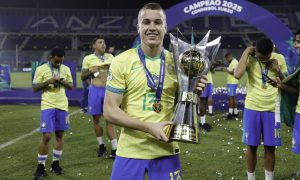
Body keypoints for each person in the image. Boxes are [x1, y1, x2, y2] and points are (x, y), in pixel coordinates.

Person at [103, 3, 207, 180]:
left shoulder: (179, 63)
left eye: (158, 22)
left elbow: (188, 111)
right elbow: (110, 111)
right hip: (130, 152)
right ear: (139, 27)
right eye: (146, 22)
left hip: (166, 151)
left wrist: (195, 94)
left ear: (165, 27)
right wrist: (149, 127)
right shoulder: (122, 61)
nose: (152, 27)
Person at [234, 37, 287, 180]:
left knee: (270, 148)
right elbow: (237, 74)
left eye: (267, 57)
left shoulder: (279, 58)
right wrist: (246, 52)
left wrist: (279, 70)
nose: (264, 60)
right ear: (255, 51)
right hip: (252, 107)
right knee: (251, 146)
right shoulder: (250, 58)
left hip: (272, 109)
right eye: (261, 58)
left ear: (272, 51)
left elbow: (287, 84)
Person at [32, 47, 73, 180]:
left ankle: (55, 163)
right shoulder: (41, 69)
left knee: (60, 135)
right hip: (47, 105)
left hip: (62, 105)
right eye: (56, 61)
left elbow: (71, 86)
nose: (58, 63)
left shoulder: (66, 69)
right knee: (47, 136)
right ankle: (41, 166)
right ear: (51, 57)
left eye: (60, 61)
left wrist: (63, 82)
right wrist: (47, 82)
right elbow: (34, 88)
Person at [81, 36, 118, 158]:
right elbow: (82, 76)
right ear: (94, 45)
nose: (103, 44)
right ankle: (101, 145)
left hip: (108, 90)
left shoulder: (110, 57)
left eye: (104, 42)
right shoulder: (88, 58)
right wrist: (92, 72)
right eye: (100, 42)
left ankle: (115, 148)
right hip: (95, 91)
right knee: (96, 120)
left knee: (110, 119)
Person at [224, 52, 239, 119]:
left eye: (227, 59)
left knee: (231, 98)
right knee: (233, 98)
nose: (227, 60)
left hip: (232, 83)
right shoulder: (234, 62)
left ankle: (230, 113)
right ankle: (235, 112)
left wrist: (226, 69)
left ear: (229, 57)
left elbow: (233, 72)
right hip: (233, 83)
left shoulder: (234, 62)